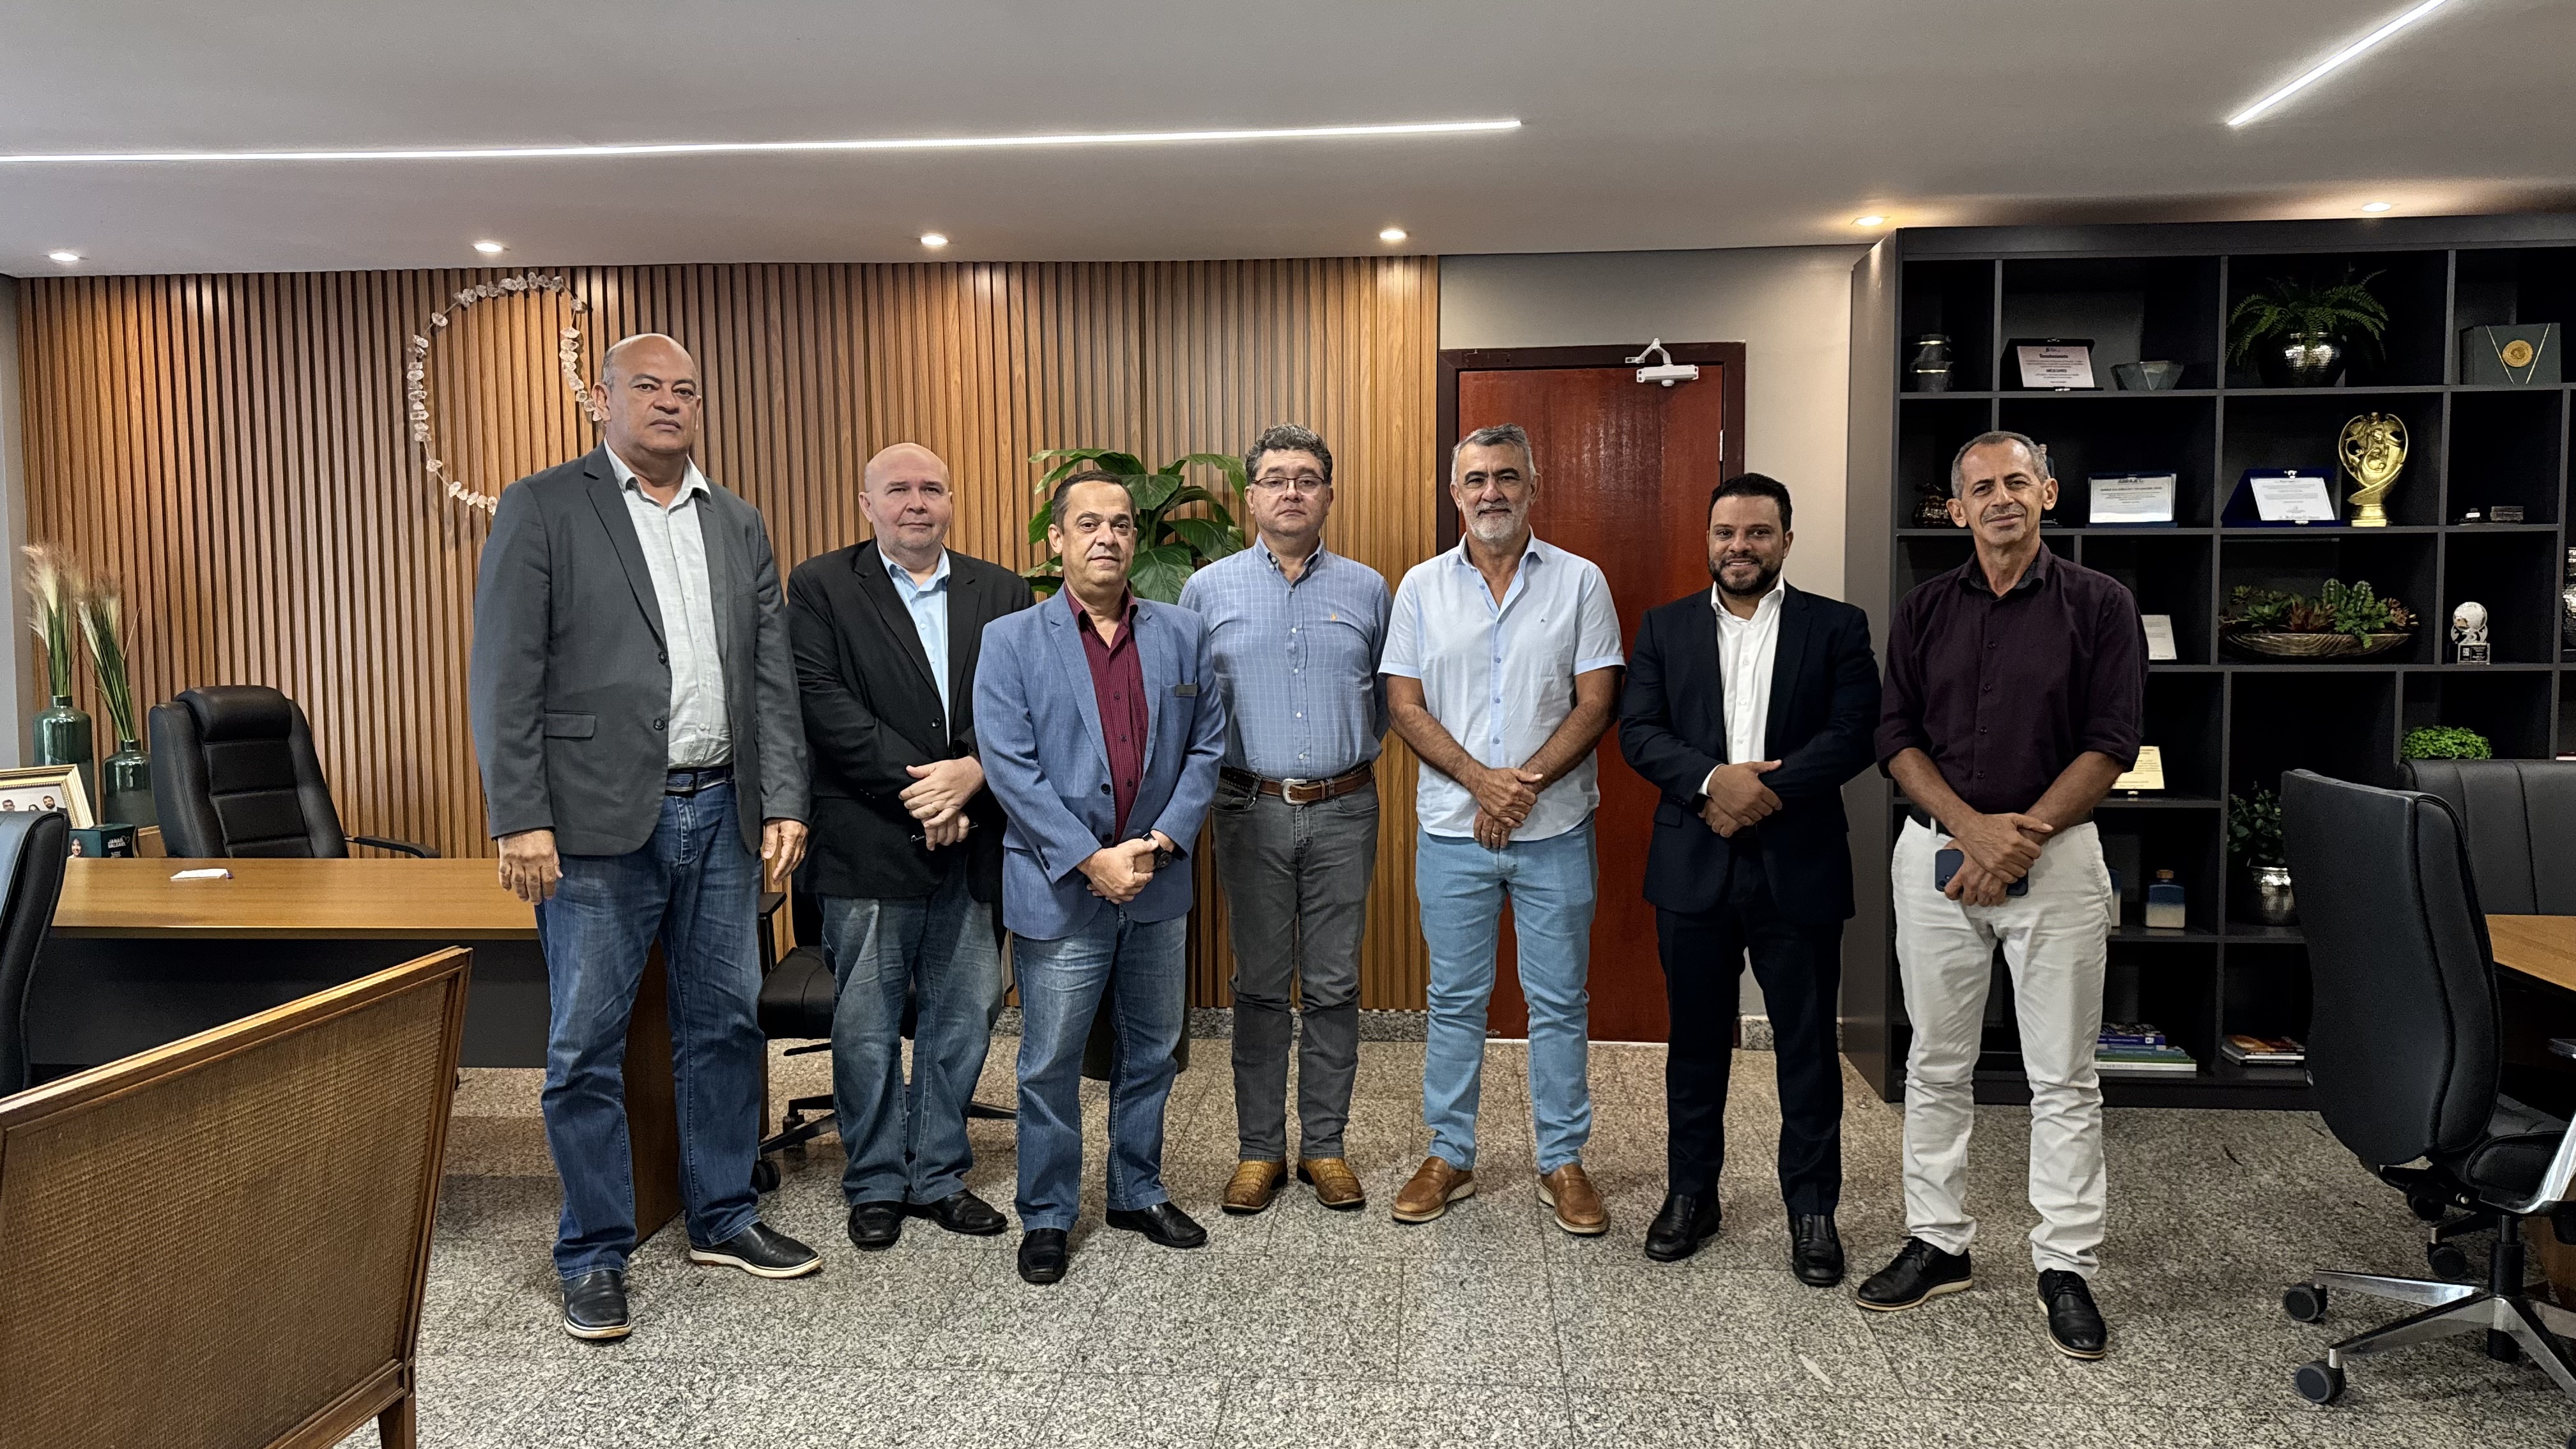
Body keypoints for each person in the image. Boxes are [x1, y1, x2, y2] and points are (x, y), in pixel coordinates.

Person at [469, 333, 818, 1343]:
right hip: (592, 824)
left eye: (686, 389)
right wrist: (520, 816)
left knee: (726, 1026)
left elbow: (769, 677)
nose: (670, 402)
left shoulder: (737, 521)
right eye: (648, 386)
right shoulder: (543, 506)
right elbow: (504, 674)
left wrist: (783, 799)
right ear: (601, 398)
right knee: (586, 1044)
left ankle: (723, 1215)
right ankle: (592, 1251)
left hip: (722, 813)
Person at [1859, 430, 2143, 1361]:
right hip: (1937, 855)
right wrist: (1971, 831)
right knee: (1936, 1063)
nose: (2000, 499)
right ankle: (1938, 1242)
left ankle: (2065, 1264)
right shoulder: (1924, 609)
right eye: (1980, 489)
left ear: (2048, 493)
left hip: (2056, 861)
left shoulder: (2101, 604)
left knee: (2062, 1074)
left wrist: (2019, 840)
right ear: (1956, 510)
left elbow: (2111, 741)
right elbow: (1896, 737)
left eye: (2017, 482)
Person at [1617, 473, 1878, 1280]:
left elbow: (1854, 732)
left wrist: (1757, 793)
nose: (1740, 547)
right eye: (1726, 532)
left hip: (1799, 865)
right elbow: (1639, 731)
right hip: (1693, 864)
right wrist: (1711, 784)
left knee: (1807, 1047)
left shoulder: (1836, 626)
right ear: (1708, 540)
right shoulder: (1664, 628)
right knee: (1695, 1043)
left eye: (1758, 533)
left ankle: (1813, 1209)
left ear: (1786, 541)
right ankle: (1691, 1195)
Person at [974, 468, 1228, 1285]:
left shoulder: (1182, 633)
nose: (1107, 537)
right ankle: (1048, 1213)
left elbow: (1206, 747)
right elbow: (1009, 767)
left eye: (1120, 524)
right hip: (1062, 887)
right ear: (1058, 539)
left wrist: (1158, 844)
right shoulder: (1011, 640)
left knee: (1151, 1050)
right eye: (1088, 524)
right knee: (1050, 1060)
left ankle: (1136, 1191)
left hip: (1157, 881)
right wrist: (1092, 858)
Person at [785, 442, 1036, 1254]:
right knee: (865, 1022)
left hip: (974, 838)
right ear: (868, 505)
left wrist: (973, 773)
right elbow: (823, 706)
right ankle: (875, 1181)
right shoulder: (821, 586)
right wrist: (929, 790)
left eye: (932, 488)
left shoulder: (1001, 589)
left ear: (952, 501)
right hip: (868, 839)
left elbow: (1020, 702)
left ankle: (938, 1175)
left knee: (964, 1015)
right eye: (898, 490)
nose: (916, 502)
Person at [1382, 422, 1623, 1235]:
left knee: (1558, 1001)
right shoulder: (1421, 588)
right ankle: (1449, 1153)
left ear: (1533, 487)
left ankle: (1563, 1159)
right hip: (1454, 830)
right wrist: (1481, 782)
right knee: (1455, 999)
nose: (1493, 492)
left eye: (1508, 477)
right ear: (1456, 493)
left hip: (1555, 828)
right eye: (1478, 479)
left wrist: (1521, 787)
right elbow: (1404, 704)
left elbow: (1597, 701)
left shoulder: (1581, 582)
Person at [1179, 424, 1390, 1216]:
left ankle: (1325, 1146)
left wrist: (1339, 764)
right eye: (1275, 479)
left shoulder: (1369, 590)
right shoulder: (1207, 591)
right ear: (1251, 497)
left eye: (1306, 478)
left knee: (1334, 984)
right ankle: (1259, 1149)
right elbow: (1190, 709)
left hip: (1344, 809)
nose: (1291, 491)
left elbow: (1388, 703)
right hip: (1248, 809)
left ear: (1329, 495)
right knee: (1261, 986)